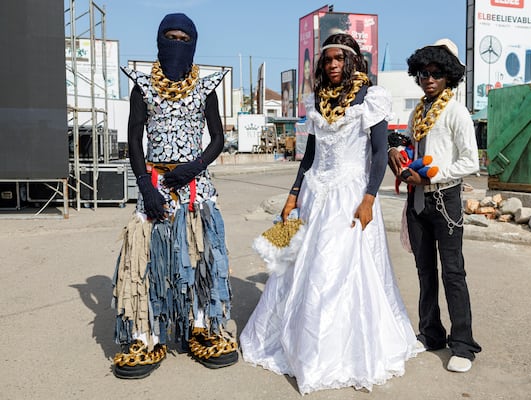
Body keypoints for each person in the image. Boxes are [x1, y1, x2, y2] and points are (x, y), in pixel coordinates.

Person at [241, 33, 418, 394]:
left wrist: (369, 198)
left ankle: (331, 353)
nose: (333, 65)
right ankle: (301, 346)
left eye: (339, 59)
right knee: (293, 268)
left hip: (351, 195)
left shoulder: (371, 97)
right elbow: (309, 156)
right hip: (314, 193)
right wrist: (292, 196)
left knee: (334, 269)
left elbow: (380, 152)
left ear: (352, 60)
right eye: (328, 60)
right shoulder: (316, 100)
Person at [111, 13, 238, 379]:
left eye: (183, 39)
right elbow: (135, 139)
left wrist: (193, 166)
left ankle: (201, 327)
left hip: (197, 187)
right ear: (158, 41)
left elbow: (217, 139)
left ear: (193, 43)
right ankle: (144, 335)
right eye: (170, 37)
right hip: (154, 185)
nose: (176, 44)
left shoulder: (206, 87)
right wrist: (144, 186)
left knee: (201, 257)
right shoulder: (142, 86)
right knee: (144, 260)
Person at [388, 38, 482, 373]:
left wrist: (432, 176)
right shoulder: (417, 112)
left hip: (445, 199)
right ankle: (431, 333)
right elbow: (414, 151)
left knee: (453, 272)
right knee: (425, 272)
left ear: (449, 76)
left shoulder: (456, 111)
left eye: (436, 73)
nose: (428, 78)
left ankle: (463, 345)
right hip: (417, 201)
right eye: (423, 72)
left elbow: (471, 161)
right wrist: (398, 154)